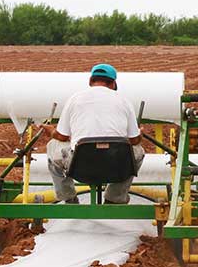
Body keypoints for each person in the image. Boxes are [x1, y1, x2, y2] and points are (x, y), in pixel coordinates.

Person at [41, 63, 145, 204]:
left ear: (90, 81)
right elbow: (134, 141)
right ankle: (115, 197)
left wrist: (51, 131)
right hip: (116, 167)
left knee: (53, 146)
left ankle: (68, 196)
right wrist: (140, 134)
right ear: (113, 83)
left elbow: (62, 137)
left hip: (80, 168)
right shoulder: (124, 101)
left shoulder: (75, 99)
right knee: (138, 151)